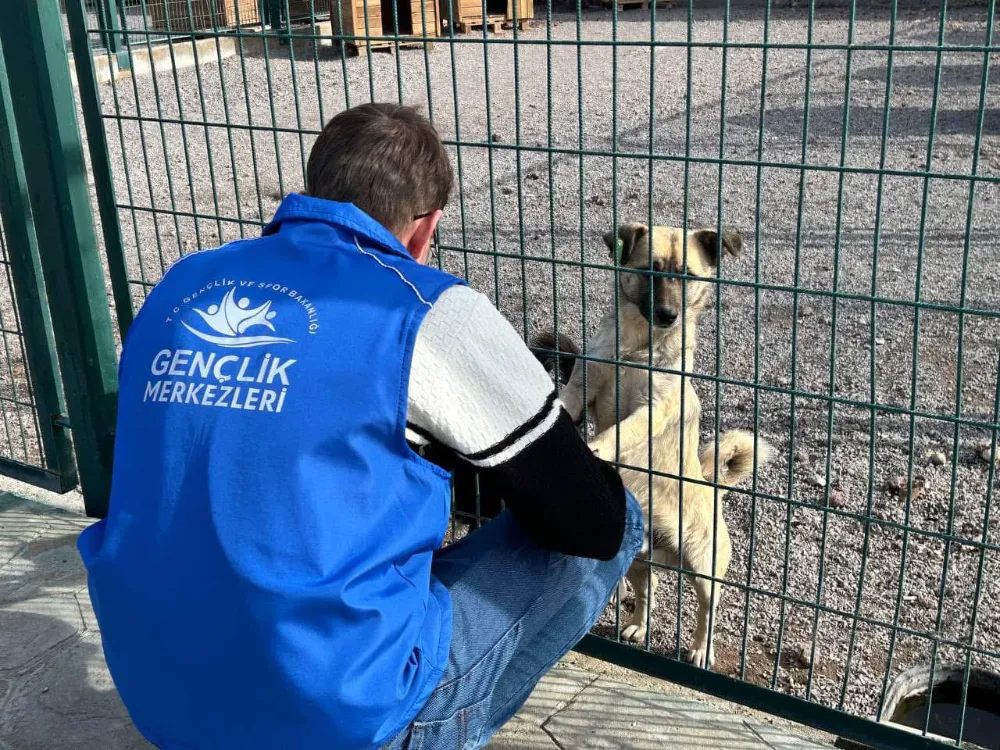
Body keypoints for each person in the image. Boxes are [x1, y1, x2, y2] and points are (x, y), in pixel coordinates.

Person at [77, 102, 644, 750]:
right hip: (332, 718)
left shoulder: (185, 282)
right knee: (617, 515)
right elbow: (588, 524)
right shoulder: (425, 304)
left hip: (157, 693)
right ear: (425, 227)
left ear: (318, 188)